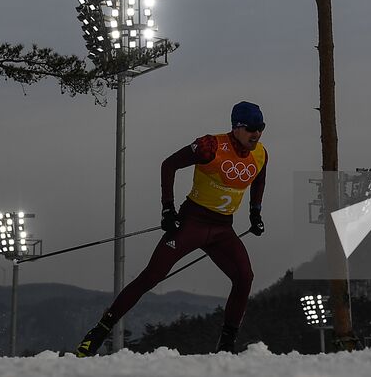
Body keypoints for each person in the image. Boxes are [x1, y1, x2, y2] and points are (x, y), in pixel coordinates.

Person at [76, 101, 268, 356]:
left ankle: (226, 345)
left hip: (223, 230)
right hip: (193, 223)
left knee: (244, 277)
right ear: (236, 128)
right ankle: (98, 332)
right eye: (252, 128)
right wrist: (168, 208)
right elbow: (169, 164)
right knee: (152, 276)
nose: (257, 133)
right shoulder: (210, 146)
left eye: (261, 127)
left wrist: (255, 212)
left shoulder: (260, 153)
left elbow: (260, 177)